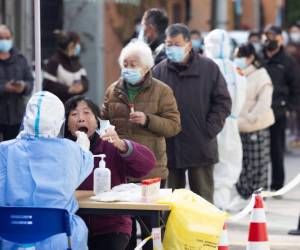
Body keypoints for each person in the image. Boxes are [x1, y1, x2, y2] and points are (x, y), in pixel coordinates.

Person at [100, 40, 180, 250]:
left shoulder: (162, 91)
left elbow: (174, 126)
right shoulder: (112, 91)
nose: (128, 69)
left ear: (146, 67)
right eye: (125, 64)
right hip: (120, 170)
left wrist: (148, 120)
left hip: (150, 171)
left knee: (150, 228)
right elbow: (103, 119)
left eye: (133, 64)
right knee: (123, 226)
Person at [0, 91, 94, 249]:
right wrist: (84, 148)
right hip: (59, 239)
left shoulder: (4, 150)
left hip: (11, 237)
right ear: (59, 122)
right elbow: (83, 168)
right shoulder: (71, 151)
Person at [153, 23, 232, 203]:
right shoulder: (159, 70)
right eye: (168, 44)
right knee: (170, 201)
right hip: (170, 146)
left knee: (202, 200)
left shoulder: (208, 68)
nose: (171, 48)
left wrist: (209, 130)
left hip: (201, 144)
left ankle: (204, 232)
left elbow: (223, 102)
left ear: (189, 44)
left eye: (176, 44)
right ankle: (170, 232)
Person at [64, 95, 156, 250]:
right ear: (66, 124)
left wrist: (122, 145)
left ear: (97, 121)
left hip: (111, 225)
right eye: (74, 114)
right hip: (71, 225)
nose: (81, 118)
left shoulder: (110, 145)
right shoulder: (61, 150)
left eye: (87, 113)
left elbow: (148, 165)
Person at [228, 43, 275, 210]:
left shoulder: (261, 75)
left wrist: (250, 117)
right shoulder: (237, 73)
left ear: (250, 57)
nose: (237, 59)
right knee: (241, 162)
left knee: (257, 164)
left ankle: (256, 199)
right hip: (238, 126)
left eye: (240, 56)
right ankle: (243, 195)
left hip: (256, 126)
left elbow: (264, 103)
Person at [204, 29, 247, 210]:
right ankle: (219, 206)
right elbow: (243, 95)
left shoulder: (205, 66)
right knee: (227, 167)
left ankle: (210, 206)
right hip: (230, 124)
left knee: (207, 168)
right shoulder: (236, 69)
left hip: (209, 123)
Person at [262, 25, 300, 192]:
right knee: (258, 150)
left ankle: (276, 186)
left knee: (276, 150)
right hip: (259, 112)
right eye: (267, 36)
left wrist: (289, 107)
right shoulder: (258, 57)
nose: (269, 39)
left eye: (273, 36)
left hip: (278, 111)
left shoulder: (288, 61)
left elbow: (296, 88)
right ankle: (257, 185)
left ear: (280, 39)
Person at [0, 24, 34, 141]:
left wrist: (23, 87)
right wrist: (4, 88)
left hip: (16, 117)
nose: (4, 41)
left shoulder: (20, 59)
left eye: (7, 38)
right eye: (1, 38)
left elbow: (30, 82)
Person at [43, 30, 88, 103]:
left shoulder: (76, 61)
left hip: (76, 105)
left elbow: (85, 81)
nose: (78, 46)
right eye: (77, 44)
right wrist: (68, 89)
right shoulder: (54, 62)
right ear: (71, 45)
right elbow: (47, 85)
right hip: (59, 105)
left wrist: (82, 86)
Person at [286, 21, 300, 148]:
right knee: (293, 111)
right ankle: (295, 135)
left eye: (296, 31)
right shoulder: (288, 46)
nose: (294, 34)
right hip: (292, 83)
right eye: (293, 31)